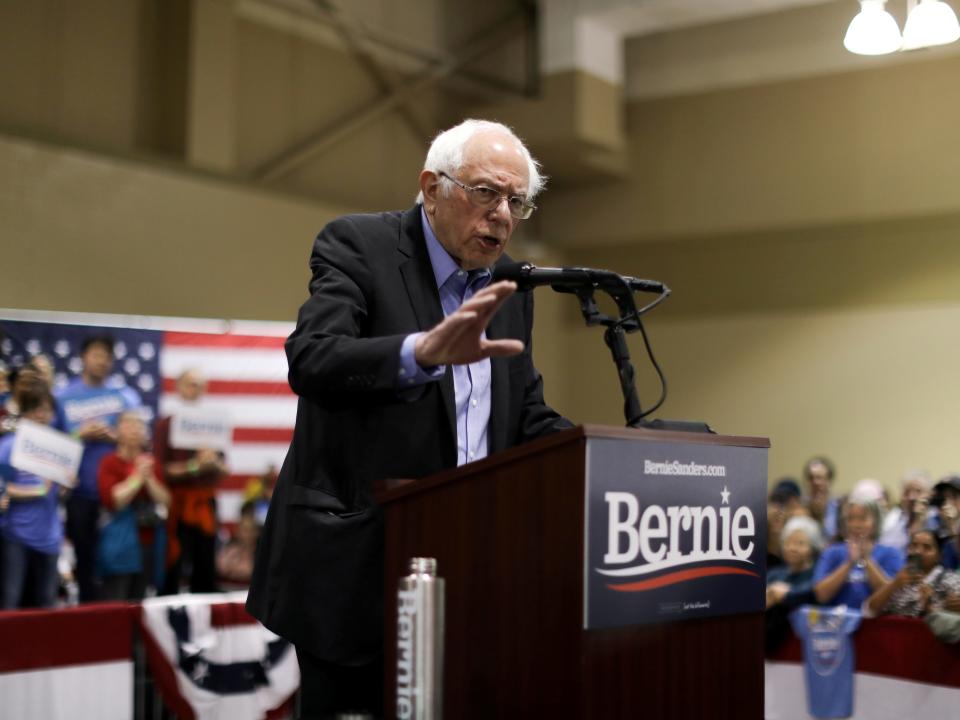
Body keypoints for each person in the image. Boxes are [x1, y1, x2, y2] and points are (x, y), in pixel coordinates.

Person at [247, 119, 571, 718]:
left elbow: (523, 416)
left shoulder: (508, 288)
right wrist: (417, 354)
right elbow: (312, 358)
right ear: (432, 187)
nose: (502, 214)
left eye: (516, 201)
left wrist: (608, 456)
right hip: (355, 573)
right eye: (485, 193)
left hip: (466, 577)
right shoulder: (358, 246)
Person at [55, 334, 142, 602]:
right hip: (79, 492)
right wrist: (80, 434)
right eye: (96, 354)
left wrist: (114, 436)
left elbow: (142, 438)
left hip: (118, 496)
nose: (101, 361)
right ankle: (86, 614)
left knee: (115, 562)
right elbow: (50, 441)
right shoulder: (62, 396)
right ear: (83, 357)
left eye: (106, 356)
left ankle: (113, 614)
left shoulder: (125, 396)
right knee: (84, 559)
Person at [154, 369, 227, 594]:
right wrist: (195, 466)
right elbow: (162, 470)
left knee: (205, 563)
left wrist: (213, 462)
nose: (193, 390)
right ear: (178, 388)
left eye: (198, 385)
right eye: (189, 384)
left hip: (205, 502)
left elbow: (224, 470)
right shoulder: (166, 425)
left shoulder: (213, 425)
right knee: (174, 562)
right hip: (177, 503)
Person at [0, 388, 66, 609]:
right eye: (35, 409)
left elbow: (61, 492)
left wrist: (66, 485)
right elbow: (2, 488)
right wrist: (37, 491)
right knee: (11, 601)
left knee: (46, 604)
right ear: (24, 413)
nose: (41, 414)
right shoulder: (8, 445)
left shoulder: (60, 447)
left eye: (46, 409)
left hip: (49, 537)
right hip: (15, 535)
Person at [97, 411, 171, 600]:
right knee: (116, 600)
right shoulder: (109, 462)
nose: (134, 429)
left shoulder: (152, 464)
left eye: (139, 425)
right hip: (119, 542)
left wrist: (149, 478)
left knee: (140, 601)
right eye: (128, 424)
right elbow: (115, 500)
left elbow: (166, 500)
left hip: (147, 541)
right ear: (117, 431)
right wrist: (138, 477)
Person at [813, 493, 903, 608]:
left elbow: (892, 597)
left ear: (875, 522)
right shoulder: (832, 552)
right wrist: (849, 563)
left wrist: (867, 560)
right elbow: (821, 595)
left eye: (862, 519)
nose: (856, 525)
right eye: (851, 519)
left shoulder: (891, 554)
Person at [865, 528, 960, 617]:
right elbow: (869, 610)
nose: (918, 551)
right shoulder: (901, 579)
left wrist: (929, 607)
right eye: (913, 546)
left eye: (927, 547)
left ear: (938, 556)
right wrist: (894, 584)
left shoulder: (951, 580)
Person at [766, 515, 823, 653]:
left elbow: (812, 594)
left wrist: (782, 594)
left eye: (800, 543)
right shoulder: (775, 573)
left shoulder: (818, 573)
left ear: (812, 548)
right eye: (788, 542)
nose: (793, 548)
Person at [879, 470, 934, 553]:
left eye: (918, 491)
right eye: (906, 492)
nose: (911, 497)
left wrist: (919, 520)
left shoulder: (936, 522)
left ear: (929, 495)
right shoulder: (894, 525)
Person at [802, 455, 840, 539]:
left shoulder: (838, 508)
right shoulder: (801, 507)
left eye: (819, 478)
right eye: (811, 478)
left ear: (829, 480)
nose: (815, 482)